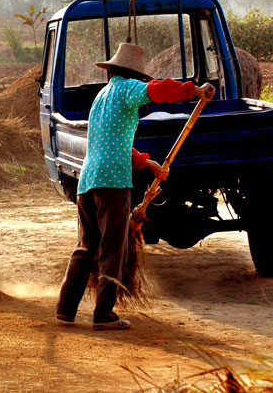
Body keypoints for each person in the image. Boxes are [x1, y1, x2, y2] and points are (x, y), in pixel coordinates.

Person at [56, 42, 215, 330]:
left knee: (85, 246)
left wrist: (147, 163)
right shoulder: (128, 89)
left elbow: (110, 143)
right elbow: (158, 90)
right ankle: (103, 315)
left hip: (88, 180)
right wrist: (193, 91)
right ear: (133, 74)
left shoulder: (101, 97)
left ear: (112, 70)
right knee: (114, 248)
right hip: (113, 182)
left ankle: (65, 309)